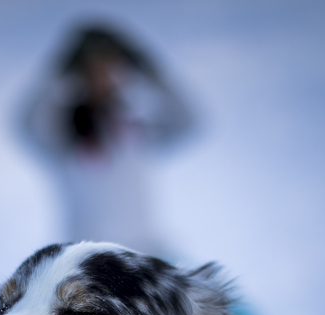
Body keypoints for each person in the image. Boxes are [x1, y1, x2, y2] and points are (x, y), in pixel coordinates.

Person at [19, 23, 194, 257]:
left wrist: (151, 72)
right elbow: (28, 123)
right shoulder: (66, 136)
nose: (104, 78)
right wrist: (58, 72)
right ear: (80, 77)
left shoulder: (134, 130)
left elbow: (186, 120)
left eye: (111, 69)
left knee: (214, 291)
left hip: (145, 253)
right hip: (88, 260)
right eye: (93, 71)